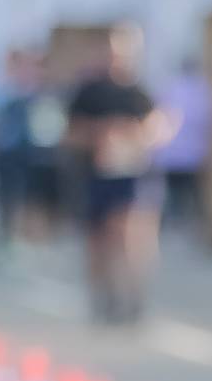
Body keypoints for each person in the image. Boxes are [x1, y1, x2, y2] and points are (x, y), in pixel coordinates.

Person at [66, 24, 170, 321]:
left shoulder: (140, 91)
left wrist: (135, 135)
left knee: (131, 236)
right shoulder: (89, 91)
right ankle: (105, 296)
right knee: (99, 241)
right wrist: (99, 134)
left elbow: (158, 129)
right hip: (97, 175)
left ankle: (133, 296)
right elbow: (71, 133)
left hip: (132, 175)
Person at [0, 47, 66, 253]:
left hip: (36, 162)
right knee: (7, 204)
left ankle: (34, 244)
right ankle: (10, 244)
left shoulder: (47, 97)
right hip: (7, 160)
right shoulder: (1, 96)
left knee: (36, 206)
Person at [155, 52, 212, 231]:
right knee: (186, 193)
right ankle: (188, 223)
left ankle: (179, 223)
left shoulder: (174, 87)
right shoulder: (201, 90)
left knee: (178, 192)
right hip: (188, 152)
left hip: (176, 152)